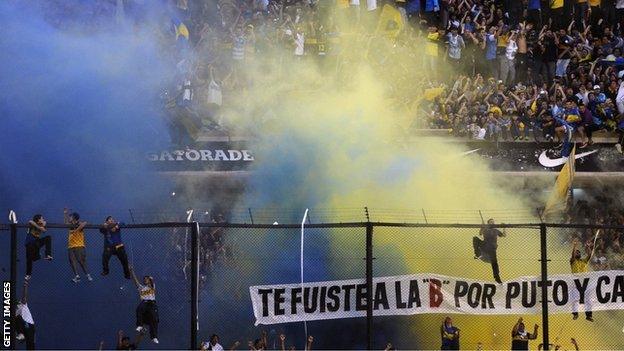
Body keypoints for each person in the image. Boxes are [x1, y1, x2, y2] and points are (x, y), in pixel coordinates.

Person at [130, 266, 159, 344]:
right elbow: (135, 281)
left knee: (154, 319)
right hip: (145, 302)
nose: (145, 280)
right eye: (144, 279)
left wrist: (150, 278)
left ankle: (154, 337)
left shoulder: (152, 286)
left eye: (146, 279)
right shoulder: (141, 288)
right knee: (139, 309)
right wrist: (132, 272)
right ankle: (140, 325)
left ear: (149, 280)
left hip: (152, 303)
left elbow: (152, 281)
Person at [473, 218, 506, 283]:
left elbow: (503, 235)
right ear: (488, 223)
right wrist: (482, 227)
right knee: (475, 238)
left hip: (492, 248)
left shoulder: (495, 230)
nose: (493, 223)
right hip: (485, 245)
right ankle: (477, 254)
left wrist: (504, 228)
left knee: (494, 262)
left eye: (493, 222)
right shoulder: (485, 229)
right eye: (491, 222)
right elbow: (480, 233)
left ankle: (497, 277)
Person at [64, 209, 92, 283]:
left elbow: (85, 223)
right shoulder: (71, 225)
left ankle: (87, 274)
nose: (69, 218)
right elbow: (66, 223)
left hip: (79, 245)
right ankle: (77, 276)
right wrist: (65, 214)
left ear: (74, 218)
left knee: (80, 260)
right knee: (71, 260)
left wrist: (76, 230)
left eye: (70, 217)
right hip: (71, 246)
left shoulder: (79, 223)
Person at [570, 237, 594, 321]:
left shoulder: (583, 261)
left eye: (578, 252)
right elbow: (572, 255)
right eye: (576, 253)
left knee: (588, 299)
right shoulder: (573, 261)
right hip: (576, 283)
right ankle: (575, 314)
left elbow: (590, 255)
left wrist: (588, 247)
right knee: (575, 299)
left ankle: (588, 315)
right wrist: (575, 246)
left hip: (584, 282)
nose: (577, 253)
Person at [25, 214, 52, 280]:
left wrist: (43, 225)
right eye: (42, 218)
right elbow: (30, 221)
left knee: (48, 238)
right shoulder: (33, 224)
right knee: (30, 259)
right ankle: (28, 274)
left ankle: (48, 255)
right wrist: (39, 227)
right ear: (38, 219)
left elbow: (44, 231)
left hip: (36, 242)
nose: (43, 219)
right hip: (30, 243)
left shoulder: (42, 224)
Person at [14, 279, 35, 350]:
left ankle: (22, 335)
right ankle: (21, 334)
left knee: (30, 346)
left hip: (29, 326)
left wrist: (25, 286)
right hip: (22, 328)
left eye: (15, 301)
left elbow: (24, 296)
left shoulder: (22, 304)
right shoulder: (14, 313)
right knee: (16, 318)